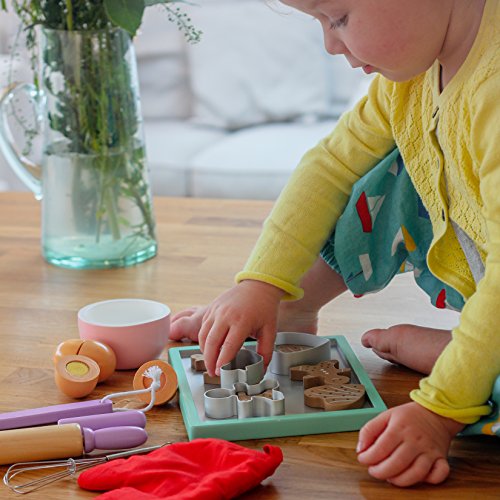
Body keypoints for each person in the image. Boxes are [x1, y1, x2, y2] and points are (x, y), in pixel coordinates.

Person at [169, 0, 500, 487]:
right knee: (382, 169)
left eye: (339, 18)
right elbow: (328, 167)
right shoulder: (410, 75)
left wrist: (440, 411)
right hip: (481, 278)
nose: (329, 43)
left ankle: (462, 359)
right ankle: (291, 305)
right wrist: (263, 283)